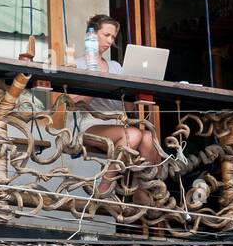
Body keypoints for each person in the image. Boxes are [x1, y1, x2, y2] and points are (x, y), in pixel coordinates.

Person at [67, 14, 166, 205]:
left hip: (117, 124)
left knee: (147, 137)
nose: (110, 41)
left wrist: (135, 90)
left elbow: (127, 108)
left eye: (113, 37)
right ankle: (105, 185)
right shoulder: (77, 64)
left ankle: (141, 190)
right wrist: (96, 80)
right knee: (134, 135)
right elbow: (71, 102)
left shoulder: (116, 67)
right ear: (92, 35)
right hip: (88, 124)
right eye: (106, 35)